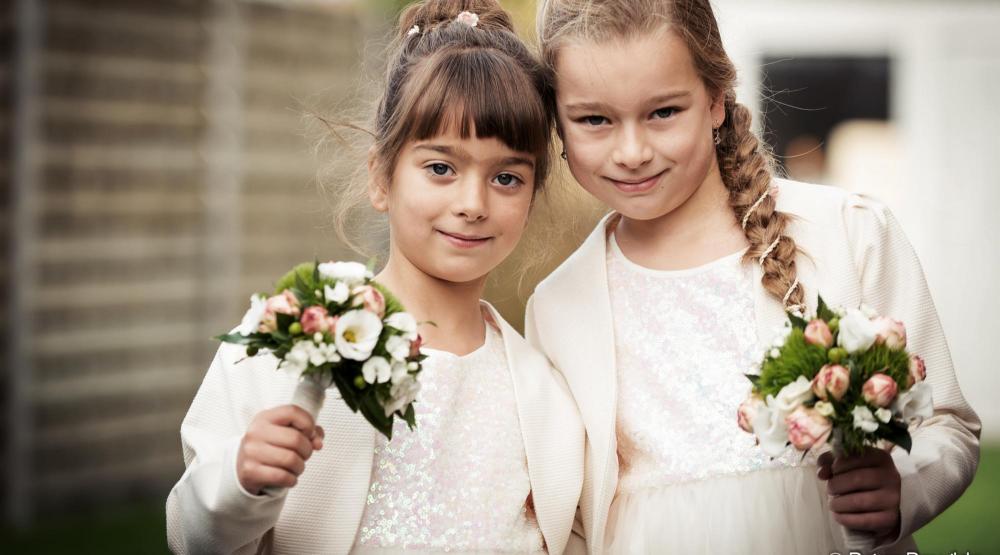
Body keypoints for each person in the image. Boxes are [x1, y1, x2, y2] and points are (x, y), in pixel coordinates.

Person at [527, 0, 980, 553]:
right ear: (557, 121)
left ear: (716, 100)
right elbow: (568, 517)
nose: (632, 151)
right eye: (595, 120)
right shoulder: (558, 307)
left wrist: (902, 490)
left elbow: (947, 425)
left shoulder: (849, 233)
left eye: (664, 112)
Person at [166, 1, 583, 552]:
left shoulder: (542, 394)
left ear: (531, 197)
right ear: (381, 177)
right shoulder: (293, 338)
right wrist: (241, 481)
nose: (473, 203)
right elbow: (189, 537)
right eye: (440, 168)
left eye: (506, 177)